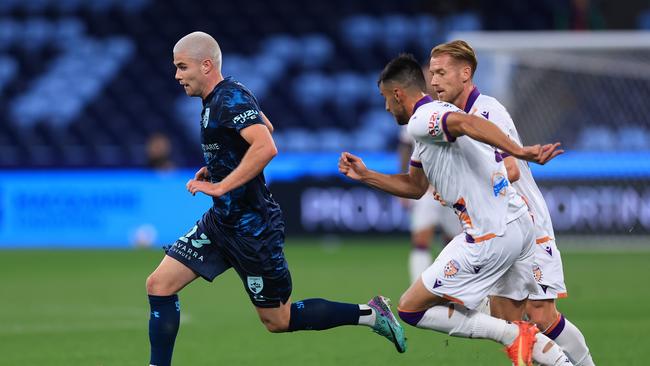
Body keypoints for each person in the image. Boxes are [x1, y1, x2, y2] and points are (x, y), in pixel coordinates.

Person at [145, 32, 406, 366]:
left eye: (182, 67)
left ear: (206, 65)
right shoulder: (219, 98)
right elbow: (263, 123)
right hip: (221, 223)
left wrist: (222, 186)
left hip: (253, 229)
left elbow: (266, 145)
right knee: (159, 284)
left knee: (277, 321)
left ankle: (371, 314)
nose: (177, 75)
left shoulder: (228, 99)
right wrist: (219, 167)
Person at [338, 54, 570, 366]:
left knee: (410, 308)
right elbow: (415, 185)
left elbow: (467, 123)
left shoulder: (424, 119)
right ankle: (554, 356)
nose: (385, 108)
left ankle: (513, 337)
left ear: (397, 94)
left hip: (490, 235)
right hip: (517, 225)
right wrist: (366, 175)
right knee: (514, 318)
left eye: (385, 99)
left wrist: (518, 151)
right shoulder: (430, 123)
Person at [428, 39, 595, 366]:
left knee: (541, 315)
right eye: (431, 73)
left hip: (528, 225)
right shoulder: (451, 118)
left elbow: (512, 167)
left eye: (441, 72)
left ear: (465, 74)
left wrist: (462, 182)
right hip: (501, 231)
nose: (433, 81)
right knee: (511, 320)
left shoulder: (487, 111)